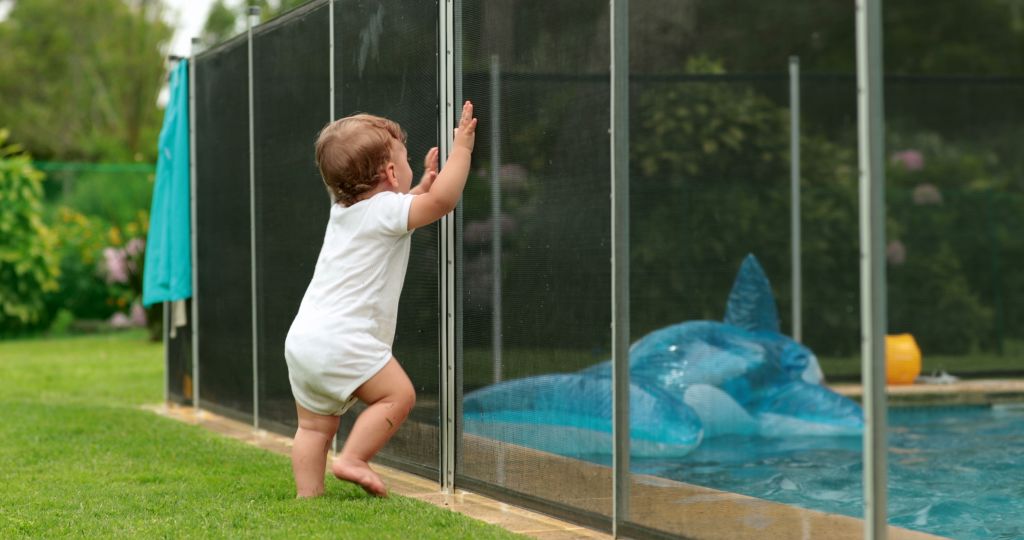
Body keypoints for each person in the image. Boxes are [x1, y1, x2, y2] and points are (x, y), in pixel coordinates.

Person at [284, 102, 477, 498]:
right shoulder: (387, 211)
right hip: (343, 339)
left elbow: (403, 208)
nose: (407, 166)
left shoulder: (343, 212)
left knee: (314, 427)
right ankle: (353, 458)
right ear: (390, 174)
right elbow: (442, 203)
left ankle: (308, 497)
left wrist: (420, 185)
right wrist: (463, 150)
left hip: (303, 341)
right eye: (404, 160)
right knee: (399, 395)